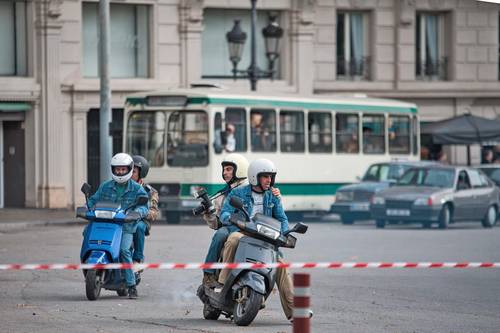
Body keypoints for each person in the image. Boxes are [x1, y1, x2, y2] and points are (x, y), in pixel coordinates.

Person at [218, 158, 311, 322]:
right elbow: (225, 212)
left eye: (271, 177)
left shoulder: (273, 196)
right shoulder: (238, 193)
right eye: (265, 176)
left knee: (281, 265)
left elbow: (282, 218)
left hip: (265, 238)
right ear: (255, 176)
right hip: (243, 232)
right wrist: (231, 218)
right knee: (232, 239)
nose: (269, 180)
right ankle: (223, 282)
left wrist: (285, 232)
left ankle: (295, 311)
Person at [201, 154, 281, 288]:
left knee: (279, 256)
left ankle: (269, 286)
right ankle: (209, 274)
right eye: (224, 170)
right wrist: (208, 214)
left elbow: (276, 209)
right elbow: (217, 224)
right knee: (220, 234)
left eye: (228, 169)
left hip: (259, 230)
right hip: (234, 228)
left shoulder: (253, 186)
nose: (225, 173)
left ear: (240, 169)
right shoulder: (221, 195)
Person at [87, 153, 148, 299]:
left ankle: (131, 285)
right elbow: (93, 200)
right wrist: (86, 207)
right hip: (104, 223)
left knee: (123, 251)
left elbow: (144, 207)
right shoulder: (105, 186)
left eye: (123, 169)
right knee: (86, 235)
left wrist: (136, 213)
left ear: (129, 169)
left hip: (125, 226)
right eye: (117, 169)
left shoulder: (137, 189)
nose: (120, 172)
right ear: (113, 170)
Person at [131, 155, 159, 266]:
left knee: (139, 228)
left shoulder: (150, 191)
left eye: (133, 172)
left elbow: (154, 213)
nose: (129, 174)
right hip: (121, 219)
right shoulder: (121, 187)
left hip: (140, 221)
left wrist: (141, 212)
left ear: (141, 174)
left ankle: (137, 260)